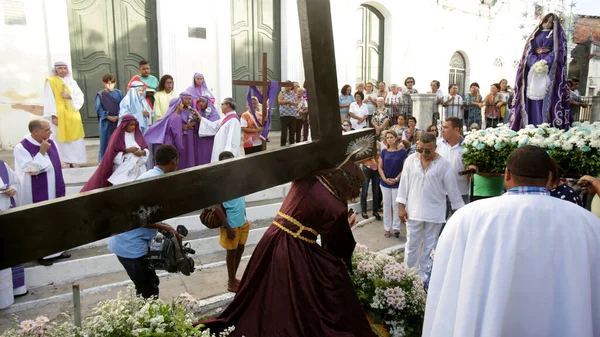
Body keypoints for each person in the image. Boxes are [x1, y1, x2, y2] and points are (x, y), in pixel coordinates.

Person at [423, 146, 600, 337]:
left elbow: (433, 274)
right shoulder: (587, 223)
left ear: (506, 174)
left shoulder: (468, 217)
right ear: (549, 178)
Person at [201, 158, 374, 337]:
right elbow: (339, 247)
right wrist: (347, 225)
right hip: (296, 249)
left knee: (262, 291)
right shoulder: (336, 207)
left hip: (271, 238)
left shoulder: (305, 178)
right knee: (313, 287)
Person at [107, 144, 182, 299]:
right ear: (174, 162)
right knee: (149, 291)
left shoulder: (153, 176)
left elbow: (147, 214)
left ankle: (145, 317)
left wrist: (164, 227)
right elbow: (134, 216)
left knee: (150, 283)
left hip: (132, 242)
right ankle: (146, 322)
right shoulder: (153, 180)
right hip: (130, 245)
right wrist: (162, 226)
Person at [397, 132, 464, 279]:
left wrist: (460, 214)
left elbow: (453, 192)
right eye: (420, 149)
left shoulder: (445, 165)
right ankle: (408, 277)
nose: (423, 154)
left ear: (435, 147)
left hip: (434, 214)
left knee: (429, 248)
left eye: (428, 151)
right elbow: (403, 186)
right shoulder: (410, 160)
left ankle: (423, 280)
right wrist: (401, 207)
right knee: (411, 246)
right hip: (413, 211)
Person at [14, 119, 68, 266]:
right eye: (47, 129)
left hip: (54, 188)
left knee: (55, 217)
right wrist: (42, 152)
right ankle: (41, 253)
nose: (50, 132)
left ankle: (57, 250)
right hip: (35, 191)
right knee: (40, 220)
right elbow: (30, 169)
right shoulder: (21, 147)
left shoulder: (51, 142)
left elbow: (56, 165)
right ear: (36, 131)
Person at [510, 13, 571, 130]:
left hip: (548, 70)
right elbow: (528, 51)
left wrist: (545, 62)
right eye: (546, 21)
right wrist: (535, 62)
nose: (548, 24)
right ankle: (530, 124)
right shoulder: (535, 35)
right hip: (533, 70)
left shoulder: (556, 36)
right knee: (530, 97)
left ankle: (545, 124)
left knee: (546, 97)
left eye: (551, 22)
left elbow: (557, 51)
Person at [212, 151, 251, 292]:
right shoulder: (219, 183)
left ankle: (234, 278)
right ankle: (230, 282)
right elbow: (217, 207)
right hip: (231, 224)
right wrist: (227, 227)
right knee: (231, 253)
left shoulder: (237, 179)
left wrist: (245, 215)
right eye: (225, 162)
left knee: (240, 249)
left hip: (243, 221)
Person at [81, 114, 149, 192]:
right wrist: (126, 151)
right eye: (131, 125)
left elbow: (146, 149)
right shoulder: (118, 137)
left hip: (139, 168)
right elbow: (112, 154)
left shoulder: (137, 135)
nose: (133, 127)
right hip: (123, 169)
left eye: (134, 124)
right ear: (125, 125)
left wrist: (142, 152)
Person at [43, 61, 87, 168]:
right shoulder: (51, 82)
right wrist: (53, 115)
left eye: (64, 68)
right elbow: (49, 99)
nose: (63, 70)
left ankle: (75, 160)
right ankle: (65, 160)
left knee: (75, 137)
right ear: (56, 70)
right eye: (60, 68)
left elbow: (79, 95)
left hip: (72, 113)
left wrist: (69, 96)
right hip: (59, 113)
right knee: (61, 137)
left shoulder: (72, 81)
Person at [0, 159, 22, 309]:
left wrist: (13, 189)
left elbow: (16, 181)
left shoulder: (2, 165)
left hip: (5, 215)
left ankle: (13, 292)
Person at [379, 130, 408, 238]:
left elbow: (405, 168)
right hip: (385, 183)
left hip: (397, 183)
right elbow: (380, 167)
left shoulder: (402, 152)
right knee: (386, 205)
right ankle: (387, 228)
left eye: (391, 137)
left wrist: (396, 179)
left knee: (396, 205)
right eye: (387, 138)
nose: (389, 139)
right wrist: (385, 179)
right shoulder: (384, 152)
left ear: (396, 138)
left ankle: (396, 228)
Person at [144, 97, 186, 168]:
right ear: (177, 105)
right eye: (181, 103)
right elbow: (177, 135)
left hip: (162, 144)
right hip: (170, 144)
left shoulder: (168, 116)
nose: (183, 105)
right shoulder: (176, 117)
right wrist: (180, 148)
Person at [198, 97, 241, 163]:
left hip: (225, 156)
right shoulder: (226, 118)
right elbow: (213, 126)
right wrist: (199, 116)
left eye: (222, 104)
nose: (221, 106)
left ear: (228, 105)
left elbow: (232, 139)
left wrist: (228, 155)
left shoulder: (233, 120)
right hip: (220, 151)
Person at [96, 73, 125, 162]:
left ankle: (118, 158)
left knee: (118, 139)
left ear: (114, 83)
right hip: (106, 122)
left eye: (111, 83)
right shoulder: (100, 95)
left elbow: (124, 106)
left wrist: (118, 116)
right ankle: (104, 160)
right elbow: (98, 108)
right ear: (103, 83)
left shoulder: (119, 93)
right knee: (105, 140)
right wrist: (107, 116)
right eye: (107, 83)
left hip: (118, 121)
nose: (109, 85)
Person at [360, 142, 381, 220]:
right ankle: (364, 210)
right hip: (367, 168)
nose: (377, 151)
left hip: (376, 169)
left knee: (375, 191)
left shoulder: (378, 144)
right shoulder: (368, 146)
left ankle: (375, 210)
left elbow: (379, 156)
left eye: (378, 150)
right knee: (364, 190)